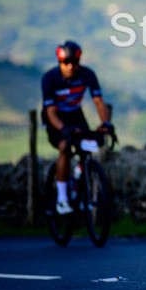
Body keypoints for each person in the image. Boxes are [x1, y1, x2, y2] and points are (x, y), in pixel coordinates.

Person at [41, 40, 113, 215]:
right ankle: (62, 199)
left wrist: (105, 123)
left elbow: (98, 101)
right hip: (55, 117)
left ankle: (79, 180)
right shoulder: (50, 79)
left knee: (89, 146)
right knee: (65, 146)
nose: (70, 66)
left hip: (75, 114)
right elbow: (50, 111)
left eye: (74, 62)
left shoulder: (87, 74)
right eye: (66, 63)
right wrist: (63, 129)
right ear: (60, 62)